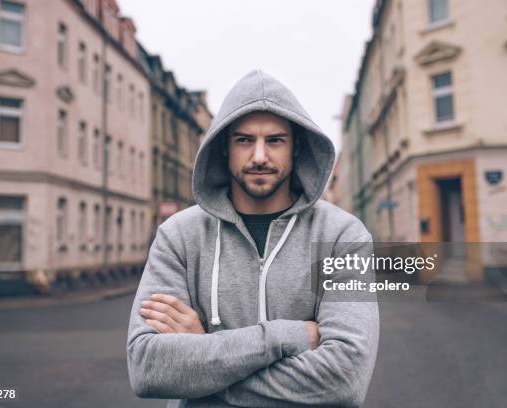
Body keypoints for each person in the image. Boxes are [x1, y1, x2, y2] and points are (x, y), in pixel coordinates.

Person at [127, 70, 379, 407]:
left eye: (275, 140)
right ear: (223, 149)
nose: (259, 156)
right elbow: (147, 367)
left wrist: (204, 363)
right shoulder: (179, 236)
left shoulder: (342, 236)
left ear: (295, 149)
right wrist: (287, 336)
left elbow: (346, 378)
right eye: (244, 140)